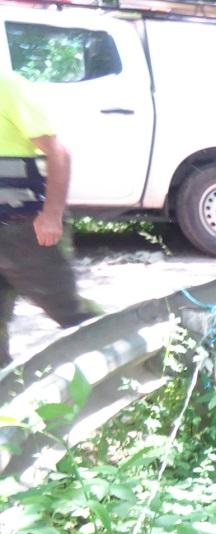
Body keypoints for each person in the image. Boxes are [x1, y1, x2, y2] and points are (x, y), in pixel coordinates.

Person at [0, 69, 94, 369]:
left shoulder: (7, 86)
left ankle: (134, 365)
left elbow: (59, 153)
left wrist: (51, 215)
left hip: (25, 230)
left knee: (71, 313)